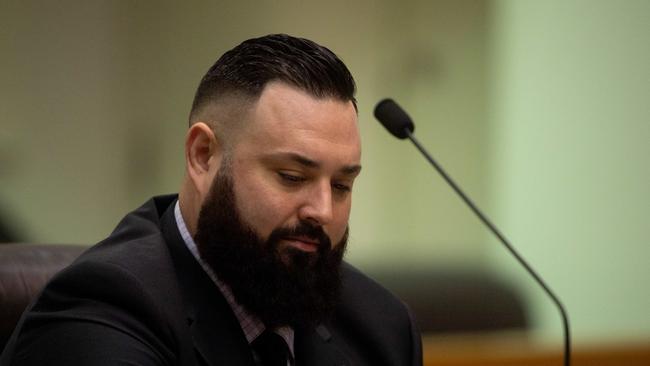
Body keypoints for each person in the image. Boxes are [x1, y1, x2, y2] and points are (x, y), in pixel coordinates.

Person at [1, 34, 422, 366]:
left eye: (341, 186)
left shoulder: (381, 327)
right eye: (292, 177)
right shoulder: (103, 310)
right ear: (203, 156)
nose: (323, 211)